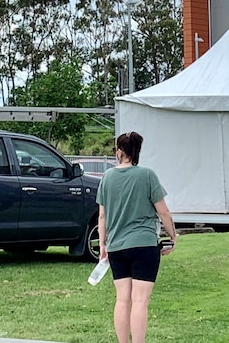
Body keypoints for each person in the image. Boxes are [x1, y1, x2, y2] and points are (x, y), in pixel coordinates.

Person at [97, 132, 177, 343]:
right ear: (136, 152)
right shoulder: (147, 175)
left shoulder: (107, 177)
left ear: (119, 151)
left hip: (116, 246)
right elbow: (163, 212)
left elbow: (102, 216)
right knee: (140, 301)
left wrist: (103, 243)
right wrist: (173, 236)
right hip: (143, 244)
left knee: (122, 300)